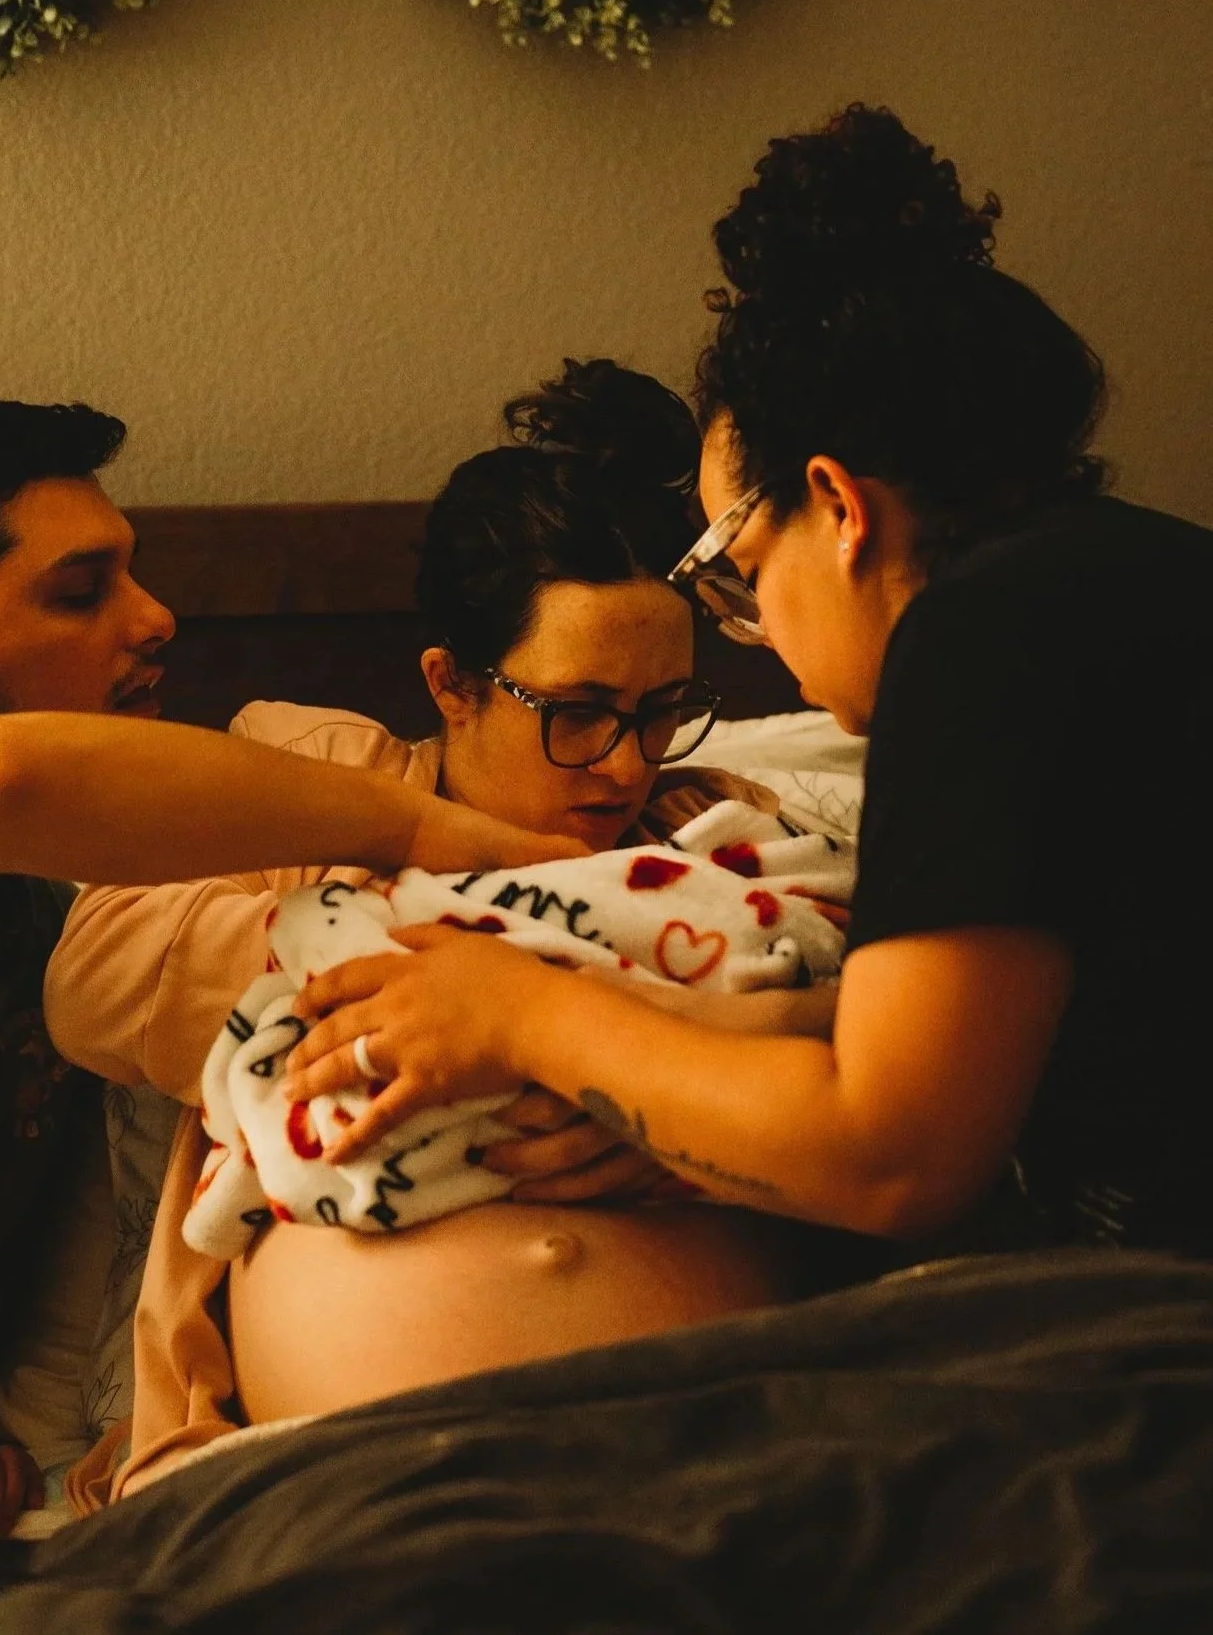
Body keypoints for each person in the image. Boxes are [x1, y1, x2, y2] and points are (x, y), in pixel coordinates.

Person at [287, 106, 1213, 1266]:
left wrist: (527, 1018)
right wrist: (670, 1062)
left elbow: (891, 1157)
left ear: (838, 506)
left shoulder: (978, 635)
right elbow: (985, 1025)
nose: (760, 625)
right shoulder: (1133, 583)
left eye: (744, 565)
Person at [0, 395, 576, 1535]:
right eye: (81, 591)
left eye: (138, 575)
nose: (156, 618)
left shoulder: (76, 914)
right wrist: (416, 831)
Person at [46, 360, 839, 1500]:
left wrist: (668, 1103)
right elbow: (98, 976)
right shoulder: (319, 782)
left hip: (718, 1452)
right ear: (453, 684)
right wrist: (475, 913)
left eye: (659, 710)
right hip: (366, 1479)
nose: (624, 762)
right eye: (577, 715)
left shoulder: (715, 827)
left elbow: (867, 1053)